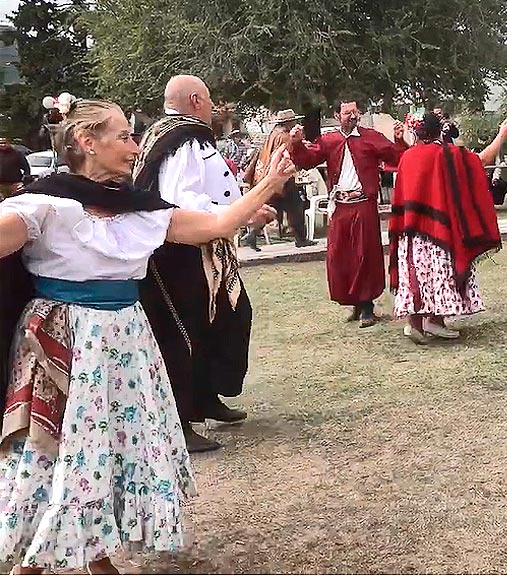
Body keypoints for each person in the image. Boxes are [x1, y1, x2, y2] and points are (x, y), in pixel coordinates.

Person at [0, 98, 293, 573]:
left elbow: (216, 224)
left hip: (127, 338)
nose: (136, 147)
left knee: (113, 444)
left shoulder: (140, 209)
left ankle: (97, 553)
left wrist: (267, 185)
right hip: (65, 341)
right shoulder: (43, 204)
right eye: (124, 136)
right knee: (62, 443)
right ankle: (34, 561)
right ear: (86, 142)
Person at [133, 75, 275, 453]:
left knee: (230, 314)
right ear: (196, 100)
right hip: (182, 248)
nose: (213, 107)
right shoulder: (185, 138)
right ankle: (179, 418)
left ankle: (208, 394)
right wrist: (237, 216)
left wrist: (239, 209)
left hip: (202, 242)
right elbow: (184, 201)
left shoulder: (163, 133)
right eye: (210, 100)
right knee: (183, 332)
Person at [389, 114, 507, 343]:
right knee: (439, 274)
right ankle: (434, 321)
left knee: (417, 276)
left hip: (410, 232)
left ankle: (416, 323)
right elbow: (480, 161)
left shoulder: (408, 157)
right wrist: (502, 136)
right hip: (439, 231)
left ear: (416, 133)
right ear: (440, 132)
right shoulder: (447, 154)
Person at [289, 98, 409, 327]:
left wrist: (400, 139)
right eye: (347, 113)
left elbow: (395, 156)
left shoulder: (370, 137)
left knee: (365, 254)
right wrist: (296, 144)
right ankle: (354, 302)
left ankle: (367, 307)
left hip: (364, 204)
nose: (352, 116)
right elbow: (307, 160)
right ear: (337, 116)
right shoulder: (329, 140)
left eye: (355, 112)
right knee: (341, 256)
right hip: (340, 207)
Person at [245, 109, 315, 249]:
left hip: (268, 177)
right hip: (282, 177)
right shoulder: (285, 137)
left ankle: (253, 233)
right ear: (289, 123)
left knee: (273, 207)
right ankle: (300, 238)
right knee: (296, 206)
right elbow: (290, 155)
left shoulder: (271, 136)